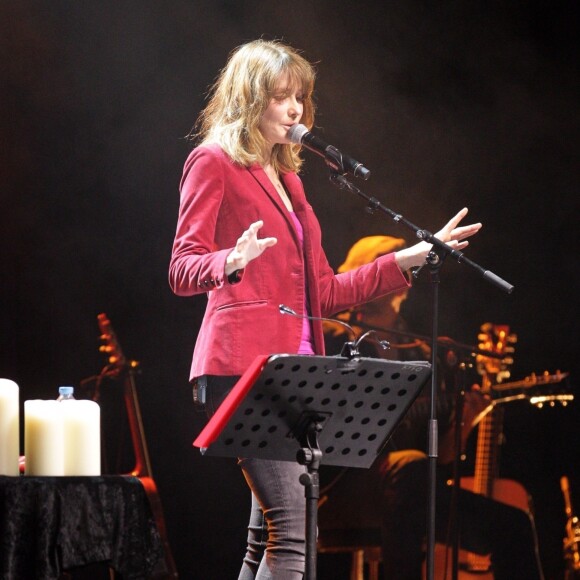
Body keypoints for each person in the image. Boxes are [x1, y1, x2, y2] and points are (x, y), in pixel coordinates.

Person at [168, 39, 482, 580]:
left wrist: (407, 258)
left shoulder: (290, 180)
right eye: (283, 97)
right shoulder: (213, 161)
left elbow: (326, 292)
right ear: (249, 98)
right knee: (294, 529)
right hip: (245, 365)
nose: (296, 110)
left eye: (301, 99)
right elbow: (182, 267)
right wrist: (231, 260)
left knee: (264, 539)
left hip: (297, 370)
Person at [318, 235, 545, 580]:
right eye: (382, 263)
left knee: (511, 524)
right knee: (411, 469)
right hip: (340, 488)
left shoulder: (420, 352)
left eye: (397, 265)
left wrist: (467, 421)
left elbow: (442, 456)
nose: (393, 273)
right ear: (359, 275)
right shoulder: (334, 337)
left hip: (410, 490)